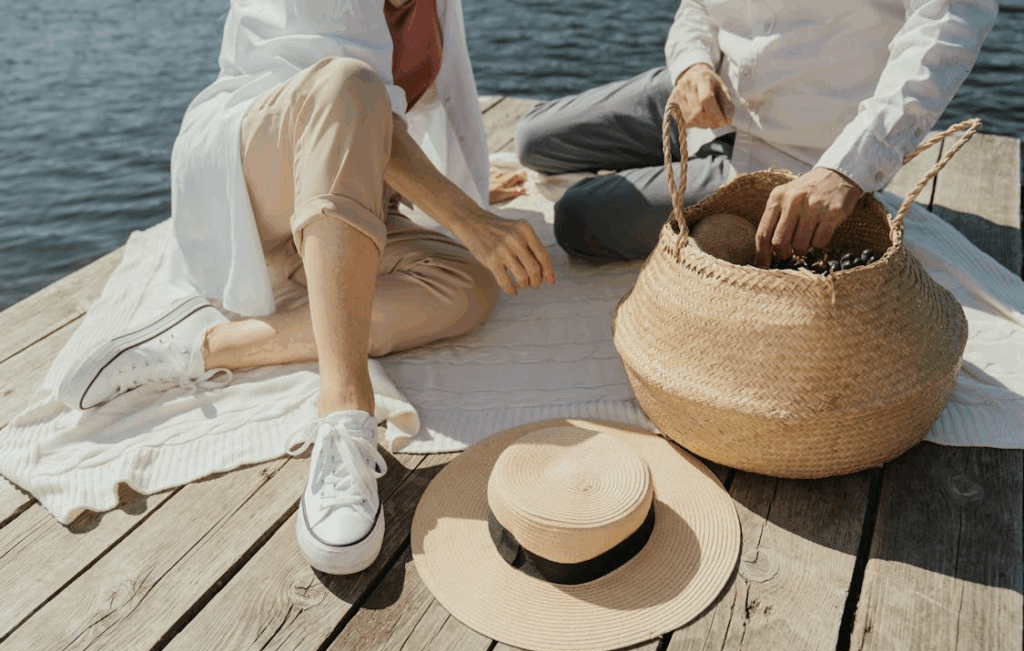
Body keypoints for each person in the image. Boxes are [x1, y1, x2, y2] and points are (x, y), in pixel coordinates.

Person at [57, 0, 554, 576]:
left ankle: (198, 348)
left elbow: (446, 102)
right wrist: (471, 218)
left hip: (344, 191)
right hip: (251, 181)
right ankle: (345, 414)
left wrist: (470, 191)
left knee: (468, 285)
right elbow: (346, 96)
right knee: (348, 83)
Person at [515, 0, 997, 266]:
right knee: (532, 139)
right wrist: (691, 65)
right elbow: (698, 7)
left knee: (579, 219)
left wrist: (846, 171)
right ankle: (671, 160)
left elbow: (942, 36)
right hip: (705, 92)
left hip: (799, 149)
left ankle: (693, 178)